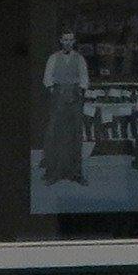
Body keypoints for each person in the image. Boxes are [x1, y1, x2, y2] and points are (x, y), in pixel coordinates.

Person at [39, 29, 91, 189]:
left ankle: (76, 173)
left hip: (75, 97)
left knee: (75, 134)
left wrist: (78, 92)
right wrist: (56, 92)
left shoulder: (80, 59)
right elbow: (47, 79)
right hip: (59, 97)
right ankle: (53, 173)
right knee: (55, 133)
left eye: (71, 40)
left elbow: (84, 79)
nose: (68, 42)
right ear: (61, 41)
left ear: (74, 41)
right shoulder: (53, 58)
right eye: (65, 40)